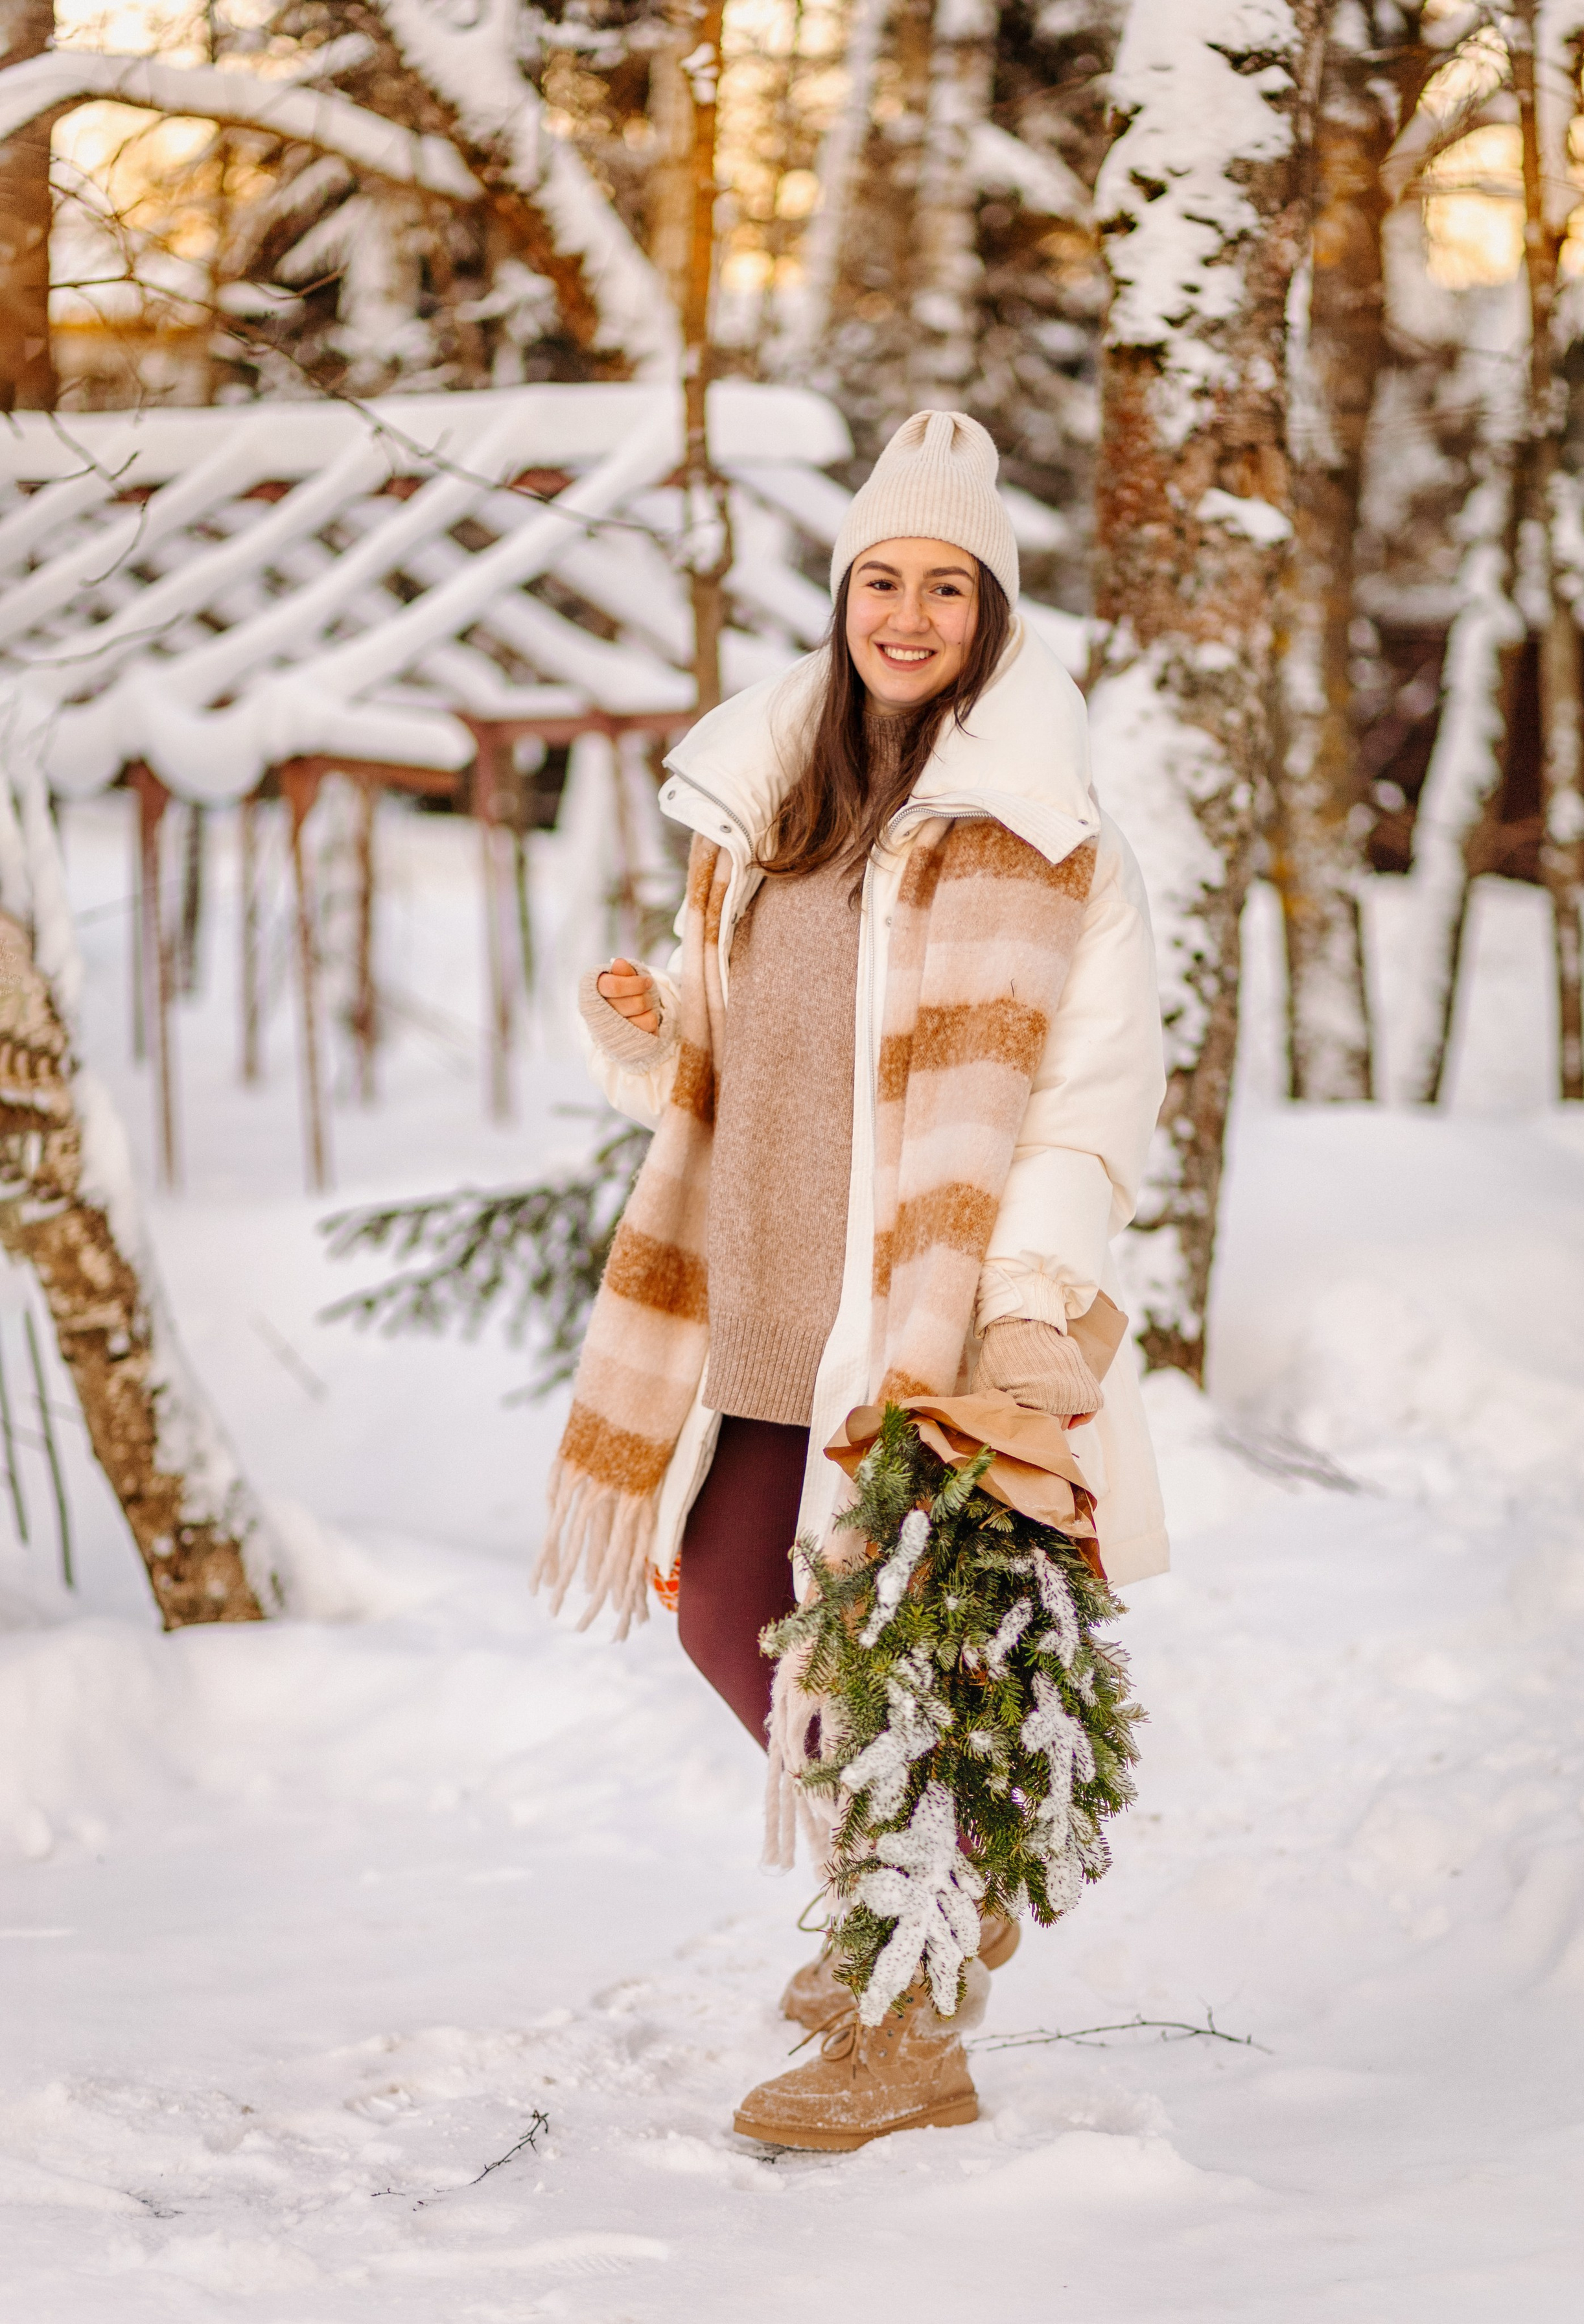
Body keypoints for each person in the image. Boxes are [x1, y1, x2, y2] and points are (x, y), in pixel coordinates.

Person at [541, 408, 1167, 2150]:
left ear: (991, 612)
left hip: (915, 1315)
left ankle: (914, 2016)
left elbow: (1096, 1086)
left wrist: (1030, 1284)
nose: (906, 612)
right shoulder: (778, 804)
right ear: (840, 599)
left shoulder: (1050, 837)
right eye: (880, 579)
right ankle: (934, 1894)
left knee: (882, 1655)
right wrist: (640, 1022)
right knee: (733, 1606)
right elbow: (720, 1030)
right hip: (754, 1290)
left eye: (943, 586)